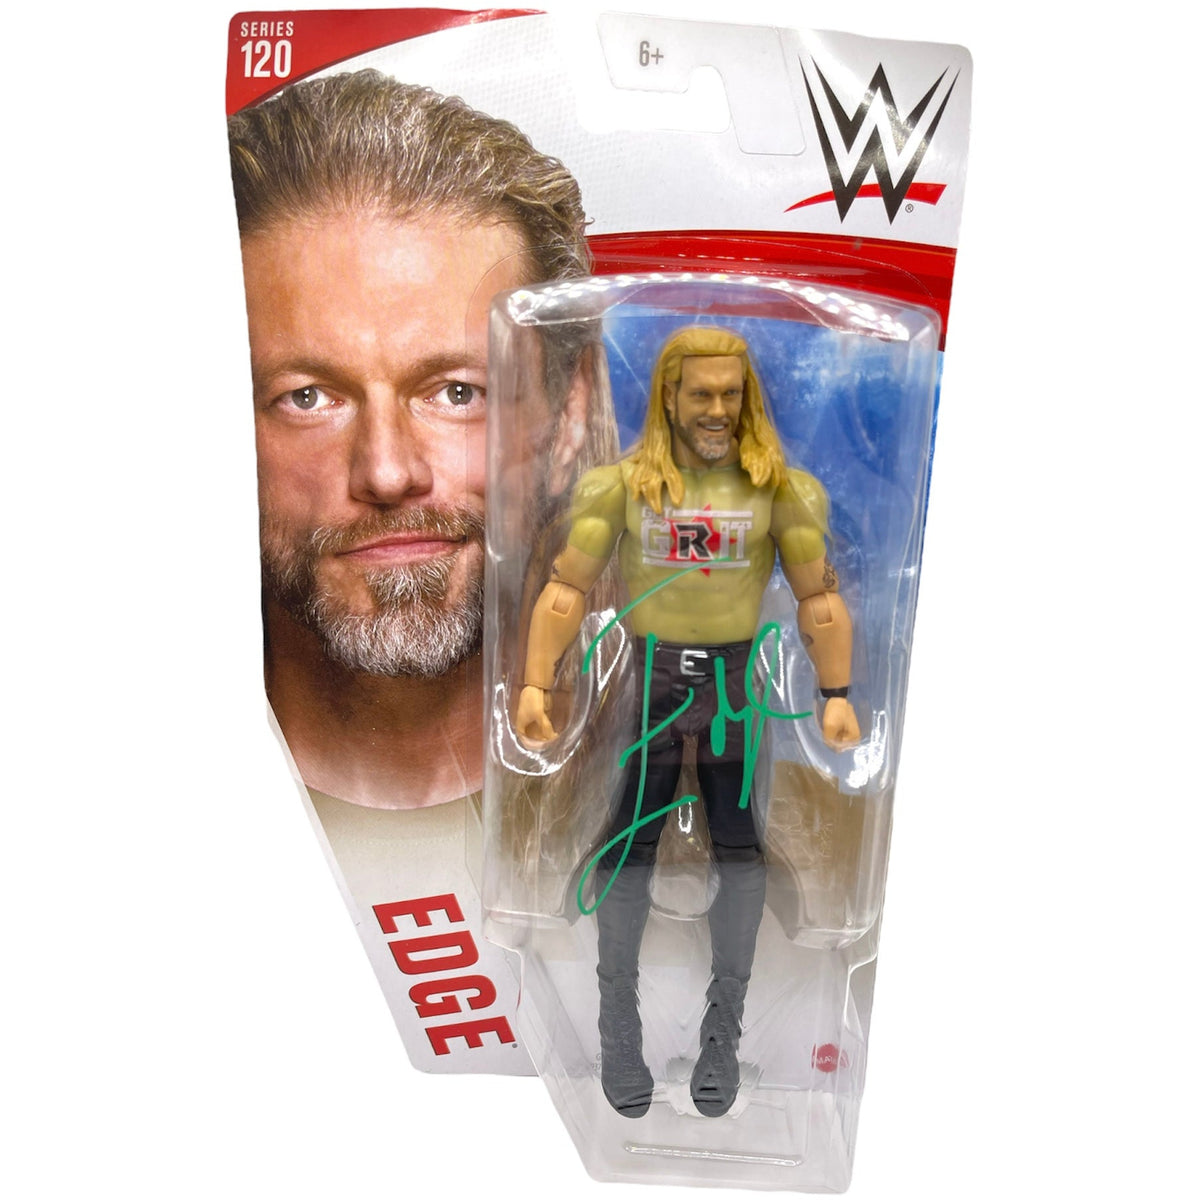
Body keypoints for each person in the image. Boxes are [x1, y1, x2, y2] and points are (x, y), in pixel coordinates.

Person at [230, 70, 609, 810]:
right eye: (307, 398)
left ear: (570, 413)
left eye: (457, 393)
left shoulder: (739, 814)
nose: (387, 471)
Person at [516, 326, 861, 1119]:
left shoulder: (780, 491)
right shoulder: (621, 488)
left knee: (740, 850)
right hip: (652, 681)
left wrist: (836, 692)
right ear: (668, 395)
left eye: (730, 394)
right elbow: (566, 589)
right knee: (627, 843)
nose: (716, 409)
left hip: (737, 684)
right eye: (701, 393)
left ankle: (723, 1032)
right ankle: (617, 1026)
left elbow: (820, 599)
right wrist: (537, 682)